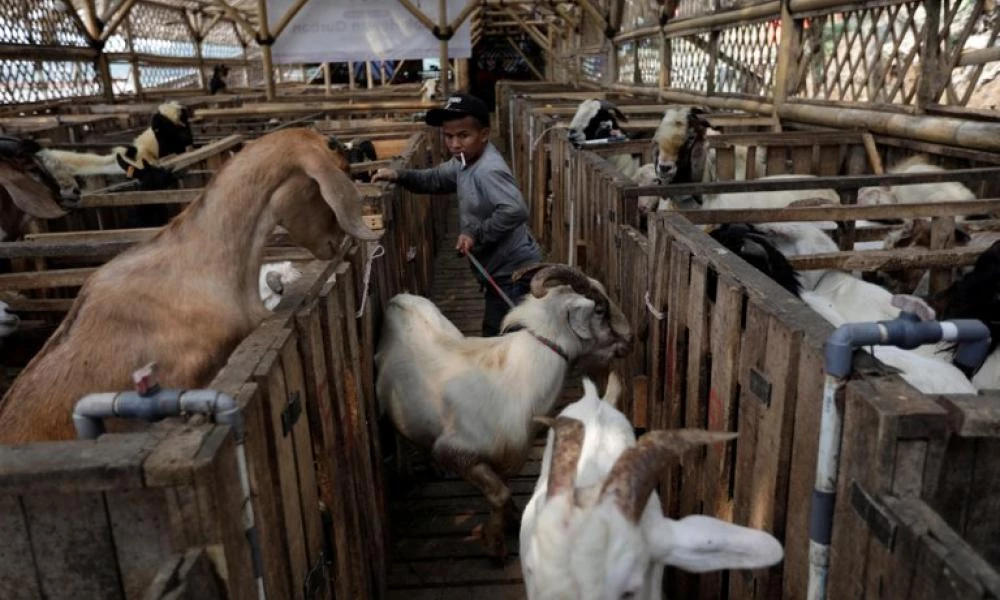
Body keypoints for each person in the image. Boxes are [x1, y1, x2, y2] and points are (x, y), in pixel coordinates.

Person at [371, 92, 542, 337]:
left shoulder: (487, 170)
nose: (454, 144)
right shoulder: (464, 161)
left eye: (463, 136)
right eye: (448, 136)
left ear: (484, 134)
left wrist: (474, 234)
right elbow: (436, 179)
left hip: (513, 272)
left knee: (504, 335)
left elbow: (515, 210)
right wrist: (399, 175)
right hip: (500, 269)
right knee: (504, 333)